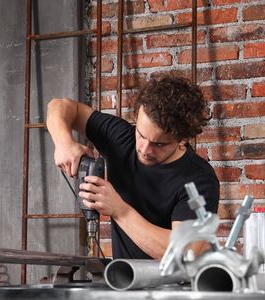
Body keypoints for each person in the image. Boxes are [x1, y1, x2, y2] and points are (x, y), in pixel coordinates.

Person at [46, 74, 220, 260]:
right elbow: (59, 105)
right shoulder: (121, 137)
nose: (144, 149)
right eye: (141, 134)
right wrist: (64, 143)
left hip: (175, 287)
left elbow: (185, 251)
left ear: (182, 140)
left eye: (158, 144)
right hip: (125, 282)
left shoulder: (199, 179)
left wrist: (120, 210)